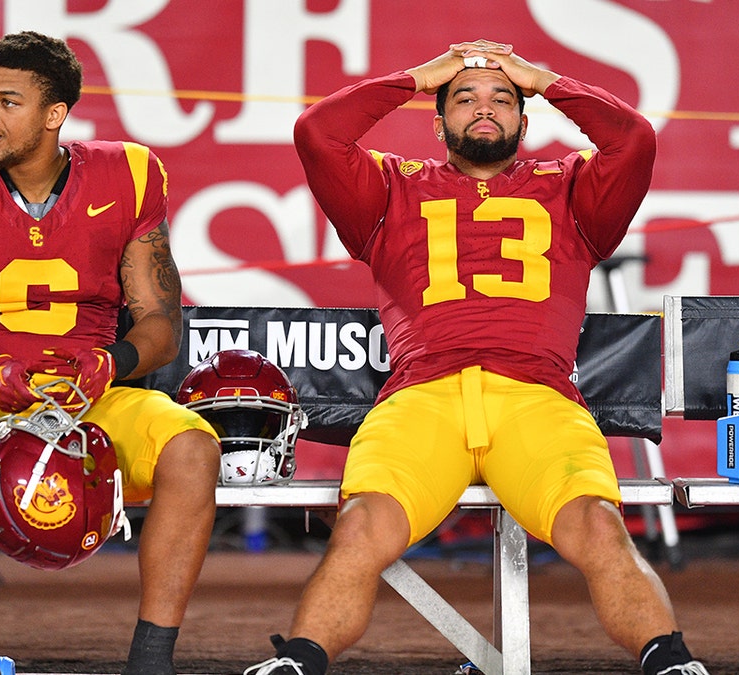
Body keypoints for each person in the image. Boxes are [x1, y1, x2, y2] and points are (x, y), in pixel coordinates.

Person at [245, 40, 708, 675]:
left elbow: (634, 140)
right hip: (420, 397)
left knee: (598, 526)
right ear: (438, 123)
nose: (482, 107)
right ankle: (297, 665)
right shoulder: (386, 189)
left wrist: (544, 79)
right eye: (463, 99)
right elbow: (318, 131)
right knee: (360, 529)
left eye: (502, 98)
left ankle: (673, 665)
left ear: (525, 118)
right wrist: (416, 76)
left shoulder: (572, 188)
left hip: (537, 396)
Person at [0, 31, 221, 675]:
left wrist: (111, 362)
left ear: (55, 114)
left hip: (95, 393)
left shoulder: (131, 173)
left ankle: (151, 658)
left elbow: (162, 322)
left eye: (8, 101)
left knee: (192, 446)